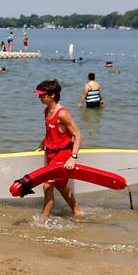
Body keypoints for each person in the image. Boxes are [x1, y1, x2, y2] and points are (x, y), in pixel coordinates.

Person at [34, 79, 83, 221]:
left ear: (52, 95)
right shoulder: (46, 111)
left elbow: (78, 135)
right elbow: (50, 132)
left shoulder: (62, 114)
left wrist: (73, 157)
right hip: (50, 153)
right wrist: (41, 145)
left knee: (47, 186)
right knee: (61, 186)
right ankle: (77, 211)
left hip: (62, 154)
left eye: (42, 94)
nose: (39, 97)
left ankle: (42, 220)